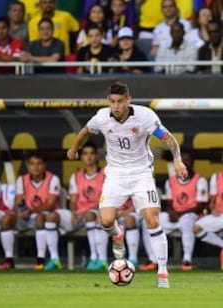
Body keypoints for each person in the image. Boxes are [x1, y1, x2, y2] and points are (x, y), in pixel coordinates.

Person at [67, 81, 188, 288]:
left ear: (128, 100)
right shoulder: (102, 117)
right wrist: (73, 148)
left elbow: (168, 138)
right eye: (112, 101)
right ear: (108, 101)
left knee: (152, 219)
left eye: (120, 101)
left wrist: (177, 159)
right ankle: (118, 234)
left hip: (141, 174)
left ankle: (162, 273)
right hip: (115, 175)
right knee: (105, 221)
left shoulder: (145, 117)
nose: (116, 106)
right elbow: (86, 131)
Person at [160, 151, 208, 270]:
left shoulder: (199, 179)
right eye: (183, 161)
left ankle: (186, 260)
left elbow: (201, 205)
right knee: (155, 220)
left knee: (187, 220)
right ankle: (155, 259)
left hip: (193, 216)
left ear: (193, 163)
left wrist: (179, 214)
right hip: (175, 216)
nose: (185, 163)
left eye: (188, 160)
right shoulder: (170, 181)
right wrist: (171, 212)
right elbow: (169, 202)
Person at [14, 152, 61, 270]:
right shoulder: (21, 180)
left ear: (44, 165)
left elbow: (50, 205)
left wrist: (30, 211)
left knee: (40, 217)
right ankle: (8, 260)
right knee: (7, 220)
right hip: (27, 216)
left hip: (47, 214)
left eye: (39, 163)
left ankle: (40, 260)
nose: (35, 167)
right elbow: (18, 201)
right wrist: (19, 210)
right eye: (32, 164)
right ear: (28, 166)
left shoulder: (53, 179)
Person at [67, 141, 109, 270]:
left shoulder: (106, 174)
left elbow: (105, 198)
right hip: (81, 213)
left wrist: (87, 211)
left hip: (100, 210)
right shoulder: (75, 177)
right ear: (82, 157)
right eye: (85, 154)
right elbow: (73, 200)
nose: (89, 157)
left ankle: (98, 258)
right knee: (53, 218)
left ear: (96, 156)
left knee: (92, 216)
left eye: (91, 153)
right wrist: (74, 213)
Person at [194, 165, 223, 269]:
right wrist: (213, 209)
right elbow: (212, 200)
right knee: (196, 228)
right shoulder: (217, 177)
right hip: (219, 215)